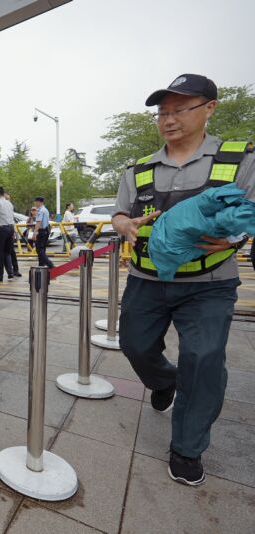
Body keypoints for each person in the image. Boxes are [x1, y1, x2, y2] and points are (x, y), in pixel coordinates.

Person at [113, 73, 254, 486]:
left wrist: (234, 236)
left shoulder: (240, 159)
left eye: (179, 110)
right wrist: (125, 225)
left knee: (203, 359)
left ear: (209, 108)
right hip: (146, 279)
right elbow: (119, 213)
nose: (169, 120)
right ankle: (164, 380)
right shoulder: (138, 169)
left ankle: (187, 448)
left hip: (209, 283)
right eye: (163, 113)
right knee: (134, 345)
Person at [31, 196, 55, 268]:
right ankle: (41, 265)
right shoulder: (45, 210)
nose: (35, 203)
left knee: (39, 250)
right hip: (46, 231)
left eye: (35, 202)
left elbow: (38, 222)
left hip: (41, 231)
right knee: (42, 249)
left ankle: (50, 264)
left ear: (39, 202)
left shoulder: (40, 211)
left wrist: (34, 233)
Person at [5, 193, 22, 277]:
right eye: (7, 199)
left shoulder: (10, 209)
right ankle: (11, 271)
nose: (8, 201)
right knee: (7, 253)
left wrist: (14, 232)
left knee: (11, 252)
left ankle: (14, 270)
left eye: (9, 199)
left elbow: (12, 222)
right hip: (4, 232)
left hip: (9, 232)